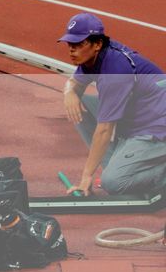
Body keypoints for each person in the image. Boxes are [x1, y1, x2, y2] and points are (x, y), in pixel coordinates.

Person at [58, 12, 166, 200]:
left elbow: (105, 129)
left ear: (97, 44)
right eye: (70, 44)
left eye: (78, 44)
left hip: (157, 127)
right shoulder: (93, 56)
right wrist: (69, 92)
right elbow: (74, 83)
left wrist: (86, 177)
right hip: (141, 117)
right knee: (79, 103)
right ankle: (125, 161)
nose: (72, 50)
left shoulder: (115, 72)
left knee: (113, 183)